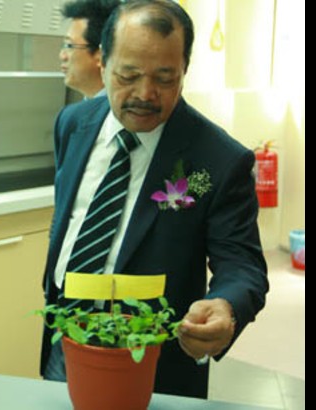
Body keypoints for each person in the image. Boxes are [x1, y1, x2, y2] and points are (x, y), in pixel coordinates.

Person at [40, 0, 269, 399]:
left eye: (166, 78)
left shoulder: (218, 159)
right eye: (128, 75)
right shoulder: (72, 123)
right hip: (66, 336)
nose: (146, 94)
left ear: (184, 69)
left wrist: (225, 307)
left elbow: (242, 265)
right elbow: (72, 217)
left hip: (155, 363)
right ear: (102, 61)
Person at [59, 0, 119, 99]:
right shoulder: (86, 109)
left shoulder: (119, 112)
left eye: (70, 46)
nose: (62, 56)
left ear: (101, 55)